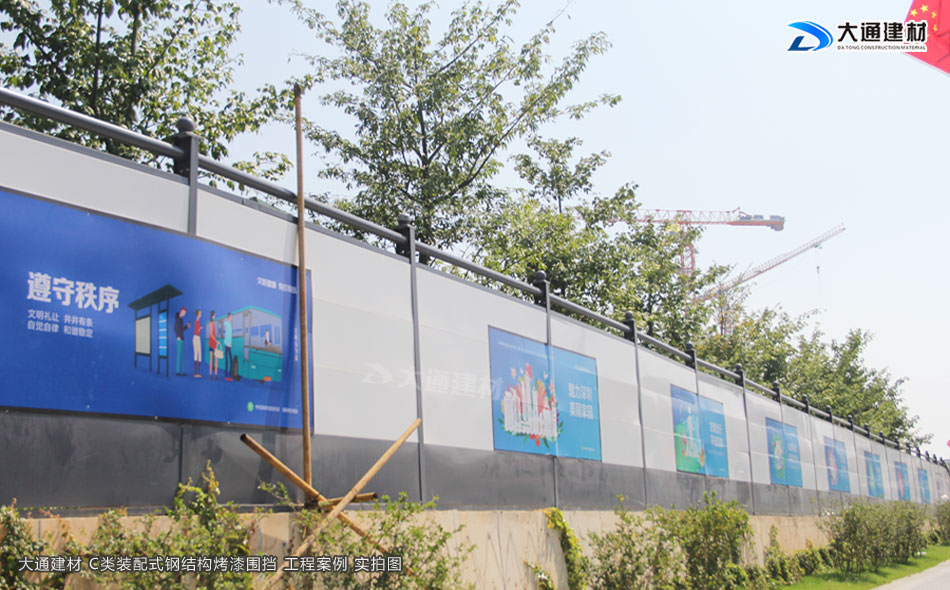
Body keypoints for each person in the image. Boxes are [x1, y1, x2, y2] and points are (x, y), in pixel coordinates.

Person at [174, 307, 190, 376]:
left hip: (182, 339)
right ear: (181, 311)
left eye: (185, 312)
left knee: (183, 355)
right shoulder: (178, 318)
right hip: (179, 339)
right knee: (179, 355)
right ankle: (177, 371)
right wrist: (177, 336)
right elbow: (175, 328)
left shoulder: (181, 319)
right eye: (183, 312)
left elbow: (182, 329)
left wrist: (187, 326)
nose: (184, 313)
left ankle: (183, 371)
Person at [223, 312, 234, 381]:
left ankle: (229, 375)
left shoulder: (229, 324)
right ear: (229, 317)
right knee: (228, 361)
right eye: (231, 317)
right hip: (227, 345)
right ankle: (227, 376)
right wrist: (228, 343)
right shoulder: (227, 324)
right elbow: (227, 335)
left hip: (229, 345)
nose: (231, 318)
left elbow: (229, 335)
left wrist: (230, 342)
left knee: (230, 361)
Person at [208, 310, 218, 379]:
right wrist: (216, 340)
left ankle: (211, 374)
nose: (215, 316)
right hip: (213, 343)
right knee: (215, 359)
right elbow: (211, 334)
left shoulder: (212, 323)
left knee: (212, 359)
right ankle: (214, 374)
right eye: (214, 315)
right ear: (212, 315)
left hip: (211, 342)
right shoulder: (211, 323)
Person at [193, 309, 202, 378]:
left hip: (197, 337)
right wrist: (200, 328)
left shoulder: (197, 321)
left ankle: (197, 373)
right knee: (197, 354)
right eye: (200, 313)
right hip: (196, 337)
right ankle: (196, 373)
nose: (201, 314)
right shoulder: (196, 321)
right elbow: (196, 330)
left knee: (198, 354)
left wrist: (199, 328)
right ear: (198, 314)